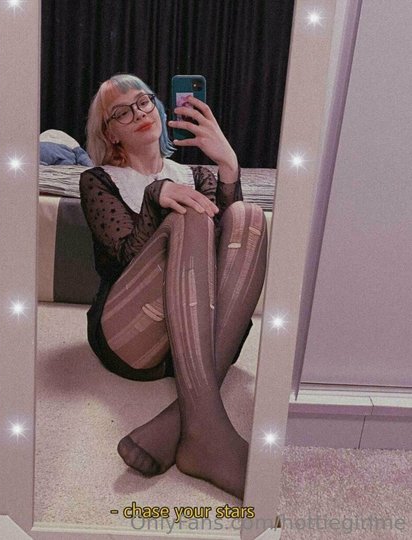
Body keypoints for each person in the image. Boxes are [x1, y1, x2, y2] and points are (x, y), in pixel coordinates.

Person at [80, 74, 267, 500]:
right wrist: (155, 195)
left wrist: (228, 166)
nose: (139, 113)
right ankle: (210, 433)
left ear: (158, 107)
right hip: (130, 337)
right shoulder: (97, 181)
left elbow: (229, 251)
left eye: (143, 102)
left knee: (249, 215)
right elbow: (125, 261)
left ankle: (181, 424)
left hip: (196, 339)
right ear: (111, 133)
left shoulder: (195, 174)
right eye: (121, 112)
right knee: (187, 216)